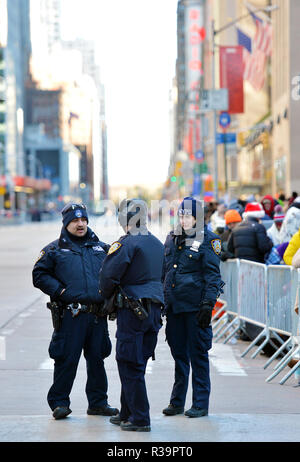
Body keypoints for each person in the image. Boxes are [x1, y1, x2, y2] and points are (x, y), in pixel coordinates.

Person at [32, 203, 118, 420]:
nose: (80, 224)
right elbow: (39, 275)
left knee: (97, 359)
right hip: (71, 315)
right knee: (66, 359)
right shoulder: (53, 250)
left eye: (83, 220)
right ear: (66, 223)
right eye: (74, 221)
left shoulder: (102, 248)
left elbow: (117, 272)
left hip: (97, 315)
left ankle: (98, 403)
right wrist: (60, 291)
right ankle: (59, 403)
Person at [99, 199, 164, 432]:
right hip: (154, 311)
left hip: (133, 311)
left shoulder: (125, 244)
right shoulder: (157, 243)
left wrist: (105, 299)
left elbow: (108, 276)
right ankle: (126, 412)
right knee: (138, 362)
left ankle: (140, 418)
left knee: (128, 363)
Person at [162, 197, 223, 418]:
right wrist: (162, 299)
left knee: (198, 356)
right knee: (179, 355)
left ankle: (200, 403)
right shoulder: (172, 238)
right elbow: (165, 271)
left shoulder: (208, 240)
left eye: (188, 215)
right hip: (175, 307)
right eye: (181, 215)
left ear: (198, 217)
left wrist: (208, 304)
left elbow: (212, 276)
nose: (184, 219)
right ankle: (177, 402)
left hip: (195, 308)